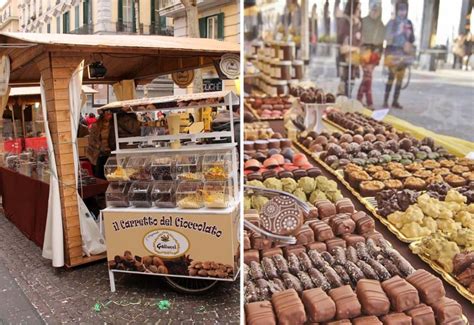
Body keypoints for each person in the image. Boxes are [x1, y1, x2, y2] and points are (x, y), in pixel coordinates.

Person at [86, 110, 140, 179]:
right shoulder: (96, 125)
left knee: (111, 176)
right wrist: (100, 147)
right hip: (98, 155)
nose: (109, 115)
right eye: (107, 113)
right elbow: (91, 140)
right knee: (100, 176)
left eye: (111, 113)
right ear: (103, 114)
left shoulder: (115, 124)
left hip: (112, 154)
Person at [383, 0, 415, 109]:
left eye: (404, 9)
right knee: (391, 78)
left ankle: (395, 101)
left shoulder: (409, 23)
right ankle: (385, 100)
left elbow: (412, 39)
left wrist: (409, 38)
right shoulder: (392, 23)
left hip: (404, 54)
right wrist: (397, 31)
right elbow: (387, 37)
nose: (402, 12)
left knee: (400, 79)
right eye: (400, 9)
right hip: (393, 53)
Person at [357, 1, 385, 109]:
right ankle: (369, 102)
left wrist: (378, 58)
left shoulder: (381, 25)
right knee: (368, 77)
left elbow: (381, 45)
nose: (374, 12)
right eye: (373, 10)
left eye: (377, 10)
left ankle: (359, 99)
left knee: (367, 77)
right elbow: (358, 38)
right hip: (364, 53)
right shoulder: (363, 22)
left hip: (374, 55)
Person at [337, 0, 362, 97]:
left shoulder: (357, 22)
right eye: (358, 9)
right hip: (345, 59)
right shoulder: (345, 22)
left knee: (351, 82)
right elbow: (342, 44)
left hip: (353, 60)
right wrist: (354, 49)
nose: (359, 11)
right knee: (344, 85)